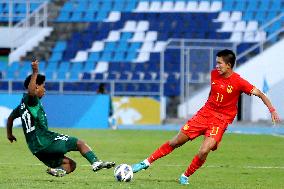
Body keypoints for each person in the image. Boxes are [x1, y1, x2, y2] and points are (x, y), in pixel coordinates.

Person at [131, 49, 281, 185]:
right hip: (204, 115)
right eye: (216, 63)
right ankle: (146, 162)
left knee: (204, 151)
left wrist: (272, 110)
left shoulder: (239, 82)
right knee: (176, 141)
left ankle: (185, 175)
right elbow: (214, 93)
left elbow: (260, 93)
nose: (216, 66)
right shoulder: (214, 74)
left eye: (219, 63)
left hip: (220, 120)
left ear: (229, 65)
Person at [6, 59, 115, 177]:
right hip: (45, 140)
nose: (45, 89)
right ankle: (96, 162)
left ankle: (58, 171)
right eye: (43, 86)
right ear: (36, 87)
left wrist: (9, 134)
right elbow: (31, 93)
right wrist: (35, 72)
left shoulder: (21, 106)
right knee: (79, 143)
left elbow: (10, 119)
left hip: (35, 149)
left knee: (71, 164)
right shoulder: (32, 100)